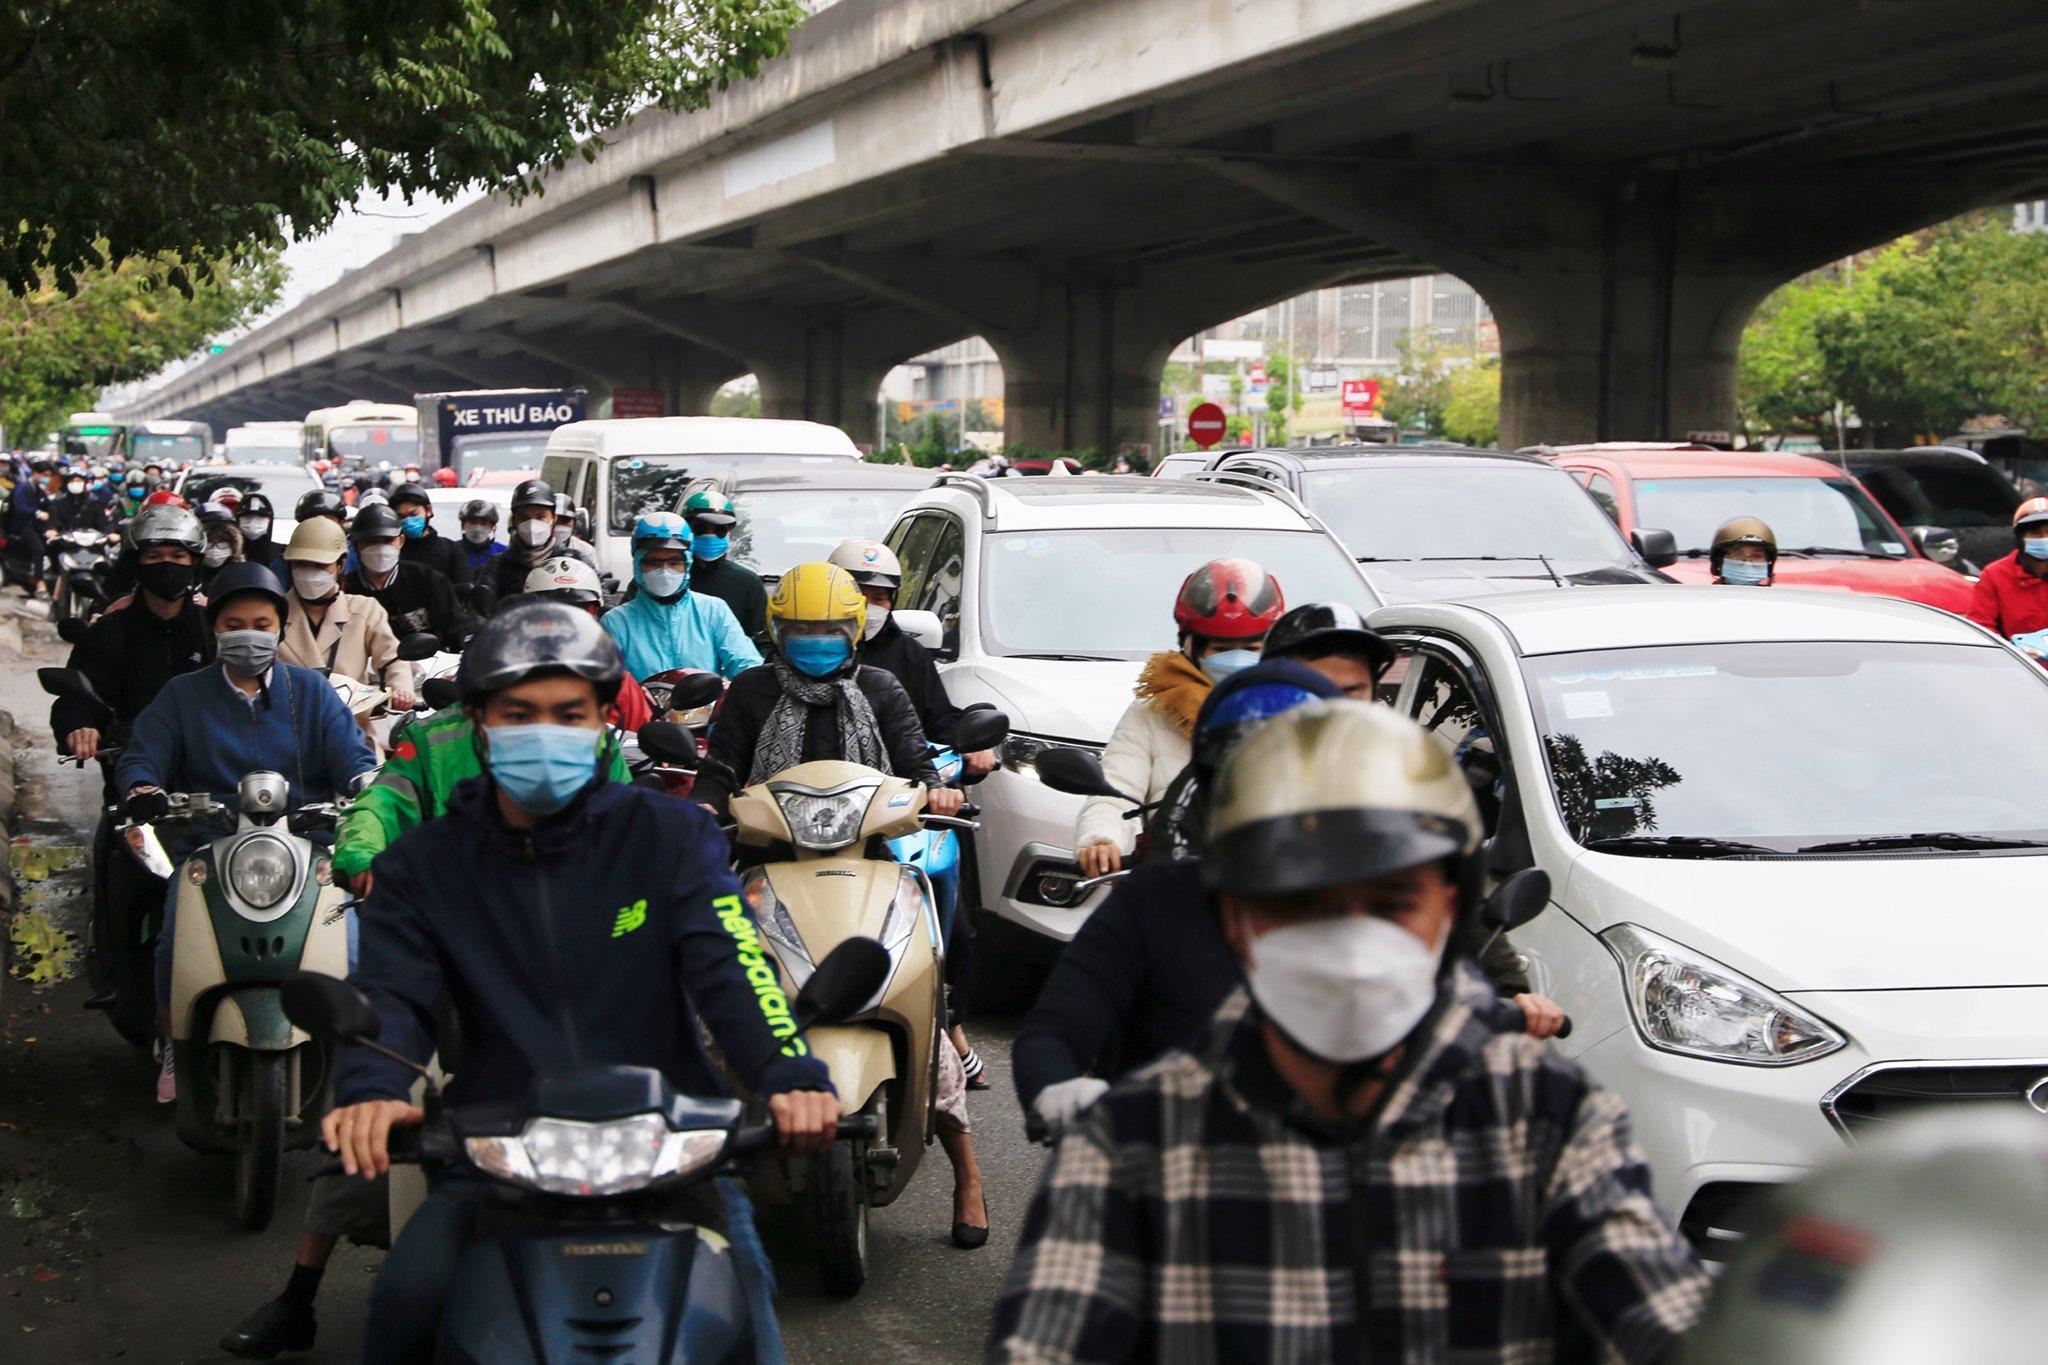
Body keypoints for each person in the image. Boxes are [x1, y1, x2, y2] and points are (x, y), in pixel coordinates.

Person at [992, 702, 1710, 1361]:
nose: (1350, 939)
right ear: (1239, 920)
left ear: (1448, 913)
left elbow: (1665, 1323)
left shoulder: (1546, 1118)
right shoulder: (1129, 1146)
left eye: (1392, 902)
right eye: (1304, 901)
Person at [321, 599, 842, 1360]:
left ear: (605, 718)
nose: (546, 731)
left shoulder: (672, 837)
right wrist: (371, 1087)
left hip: (671, 1142)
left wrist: (790, 1072)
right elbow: (389, 994)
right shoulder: (424, 866)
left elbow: (733, 966)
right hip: (493, 1147)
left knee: (751, 1316)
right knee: (406, 1300)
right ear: (477, 720)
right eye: (519, 712)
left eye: (570, 713)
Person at [1019, 660, 1571, 1138]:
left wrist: (1508, 1005)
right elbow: (1056, 1029)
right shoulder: (1156, 900)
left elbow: (1460, 963)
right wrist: (1061, 1093)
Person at [687, 563, 989, 1247]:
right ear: (777, 631)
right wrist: (705, 808)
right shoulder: (753, 690)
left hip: (870, 861)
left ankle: (968, 1173)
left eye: (829, 632)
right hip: (769, 861)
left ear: (853, 631)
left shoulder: (880, 687)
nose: (816, 643)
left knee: (922, 996)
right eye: (801, 632)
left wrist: (934, 791)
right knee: (708, 1001)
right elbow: (722, 768)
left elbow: (915, 763)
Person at [115, 563, 378, 1102]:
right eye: (234, 624)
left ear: (279, 628)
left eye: (261, 623)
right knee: (173, 940)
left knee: (353, 938)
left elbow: (352, 756)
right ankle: (173, 1041)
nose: (249, 635)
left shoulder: (312, 692)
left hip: (310, 844)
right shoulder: (182, 695)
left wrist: (367, 781)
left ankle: (356, 1052)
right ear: (215, 629)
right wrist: (144, 788)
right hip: (206, 847)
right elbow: (144, 757)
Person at [830, 537, 996, 1075]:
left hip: (900, 808)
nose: (872, 605)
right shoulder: (779, 665)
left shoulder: (905, 660)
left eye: (882, 596)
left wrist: (965, 757)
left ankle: (949, 1024)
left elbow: (932, 731)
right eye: (860, 593)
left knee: (954, 924)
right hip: (820, 818)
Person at [1074, 557, 1283, 880]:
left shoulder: (1296, 708)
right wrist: (1101, 839)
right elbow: (1115, 787)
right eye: (1220, 649)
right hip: (1175, 878)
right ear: (1191, 648)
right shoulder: (1153, 711)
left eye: (1251, 647)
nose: (1238, 659)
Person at [49, 505, 213, 767]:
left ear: (193, 562)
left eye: (177, 555)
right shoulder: (107, 632)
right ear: (136, 562)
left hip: (208, 769)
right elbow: (78, 698)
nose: (166, 564)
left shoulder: (213, 629)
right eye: (154, 556)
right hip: (129, 765)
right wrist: (80, 726)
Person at [600, 511, 762, 681]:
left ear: (687, 564)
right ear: (638, 566)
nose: (664, 571)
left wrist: (751, 686)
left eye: (674, 562)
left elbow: (745, 662)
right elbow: (605, 685)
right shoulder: (616, 623)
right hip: (640, 707)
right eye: (653, 563)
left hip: (706, 707)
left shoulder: (713, 611)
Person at [277, 518, 413, 708]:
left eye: (320, 565)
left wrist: (401, 690)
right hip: (292, 720)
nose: (309, 572)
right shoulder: (274, 614)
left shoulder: (364, 609)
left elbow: (391, 658)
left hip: (353, 721)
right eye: (301, 564)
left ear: (340, 566)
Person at [522, 556, 656, 731]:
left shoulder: (617, 682)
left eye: (579, 611)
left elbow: (646, 737)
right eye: (553, 612)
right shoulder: (508, 679)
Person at [344, 503, 476, 645]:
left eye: (388, 541)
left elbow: (457, 629)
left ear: (401, 541)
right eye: (371, 542)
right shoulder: (347, 590)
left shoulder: (428, 580)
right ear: (356, 546)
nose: (380, 549)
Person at [1260, 599, 1395, 699]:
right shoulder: (1248, 734)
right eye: (1315, 694)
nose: (1335, 708)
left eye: (1351, 696)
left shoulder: (1397, 736)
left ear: (1374, 692)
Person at [684, 488, 768, 641]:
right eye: (701, 528)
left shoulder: (747, 584)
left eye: (719, 530)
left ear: (729, 533)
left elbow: (759, 643)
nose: (710, 535)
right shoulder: (665, 579)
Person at [491, 478, 591, 603]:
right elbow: (480, 614)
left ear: (554, 518)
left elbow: (600, 605)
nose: (532, 524)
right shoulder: (498, 565)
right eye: (523, 517)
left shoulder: (577, 561)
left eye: (540, 517)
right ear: (514, 521)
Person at [1970, 497, 2048, 655]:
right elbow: (1981, 627)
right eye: (2035, 532)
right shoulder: (1995, 575)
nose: (2044, 538)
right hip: (2019, 667)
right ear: (2020, 537)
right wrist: (2014, 654)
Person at [387, 480, 474, 592]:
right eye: (401, 517)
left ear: (428, 510)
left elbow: (465, 588)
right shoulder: (392, 552)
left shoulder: (451, 550)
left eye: (413, 514)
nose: (408, 521)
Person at [1711, 515, 1777, 587]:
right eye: (1737, 555)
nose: (1747, 563)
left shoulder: (1782, 597)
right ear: (1719, 562)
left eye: (1756, 556)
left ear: (1768, 565)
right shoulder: (1704, 597)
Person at [194, 502, 244, 592]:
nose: (215, 550)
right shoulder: (186, 573)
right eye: (208, 543)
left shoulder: (242, 575)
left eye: (222, 544)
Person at [455, 497, 505, 579]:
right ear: (463, 525)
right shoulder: (452, 551)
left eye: (483, 523)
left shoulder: (503, 553)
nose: (477, 528)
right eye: (473, 522)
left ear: (492, 527)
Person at [236, 494, 283, 569]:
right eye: (247, 516)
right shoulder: (228, 552)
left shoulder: (280, 553)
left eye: (260, 517)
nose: (253, 522)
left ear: (269, 521)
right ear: (238, 520)